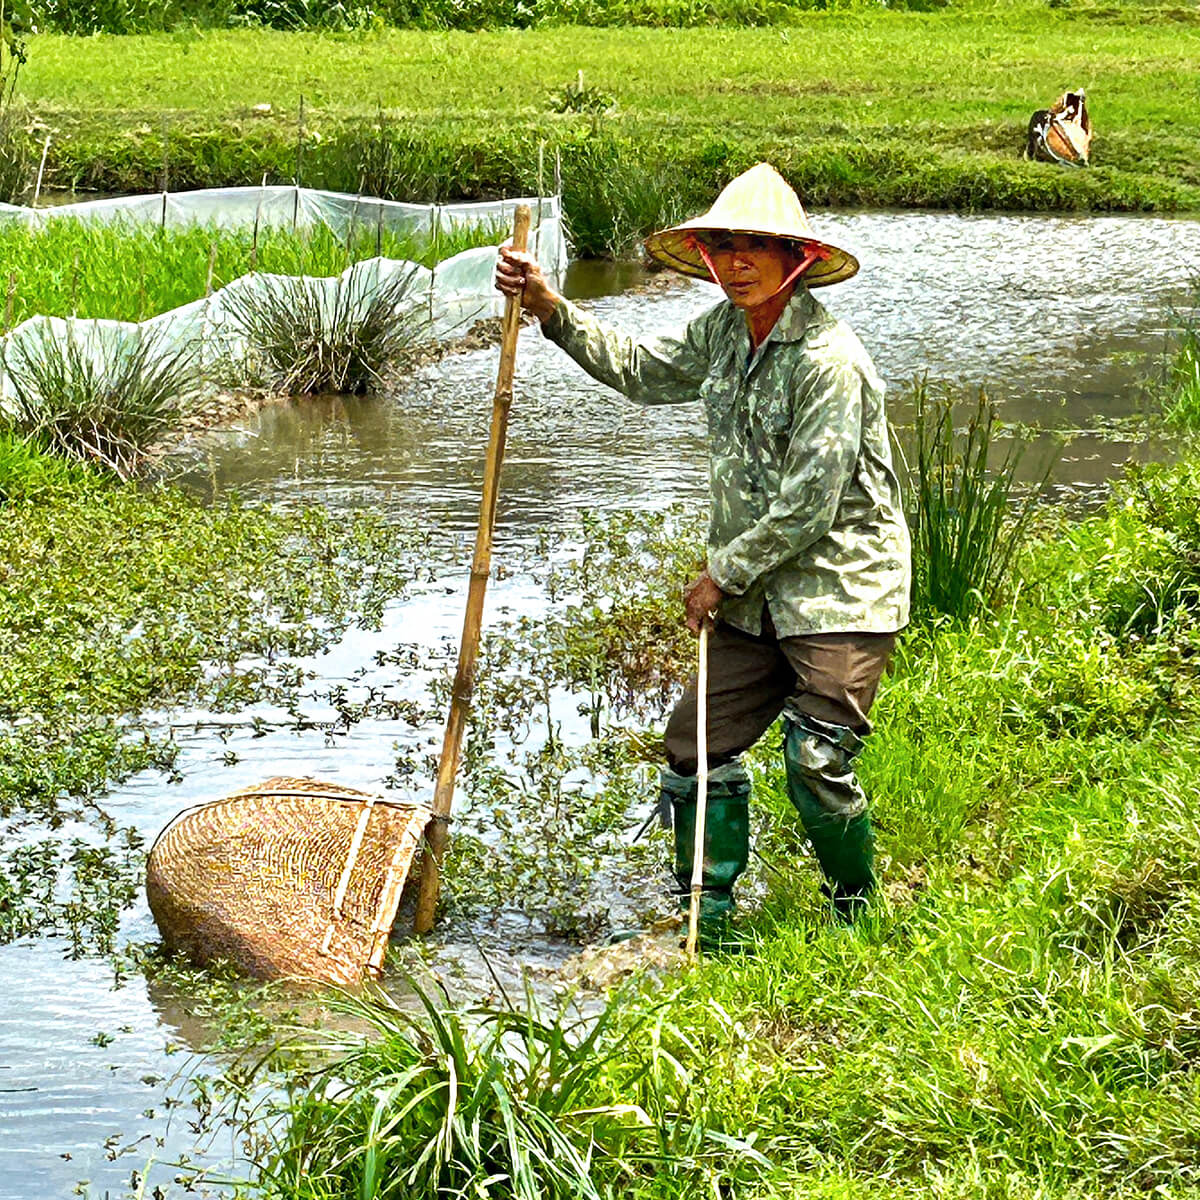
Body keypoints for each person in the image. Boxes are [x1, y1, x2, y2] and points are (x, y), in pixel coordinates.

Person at [495, 162, 910, 944]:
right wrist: (550, 307)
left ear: (798, 260)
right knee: (693, 747)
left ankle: (858, 918)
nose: (737, 262)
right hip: (757, 598)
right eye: (723, 246)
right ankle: (709, 923)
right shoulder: (722, 332)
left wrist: (720, 575)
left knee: (816, 760)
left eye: (756, 246)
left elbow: (808, 508)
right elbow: (641, 371)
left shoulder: (829, 361)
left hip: (839, 590)